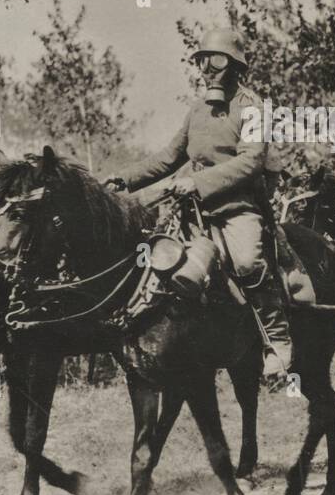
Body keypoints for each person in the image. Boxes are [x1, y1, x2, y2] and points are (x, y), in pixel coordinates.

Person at [104, 28, 293, 376]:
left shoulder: (251, 108)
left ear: (235, 65)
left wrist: (197, 182)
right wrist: (124, 179)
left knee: (249, 262)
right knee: (155, 260)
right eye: (201, 60)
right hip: (192, 210)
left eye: (215, 60)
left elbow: (251, 162)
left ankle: (276, 339)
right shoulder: (197, 111)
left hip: (237, 209)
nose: (207, 69)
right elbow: (168, 157)